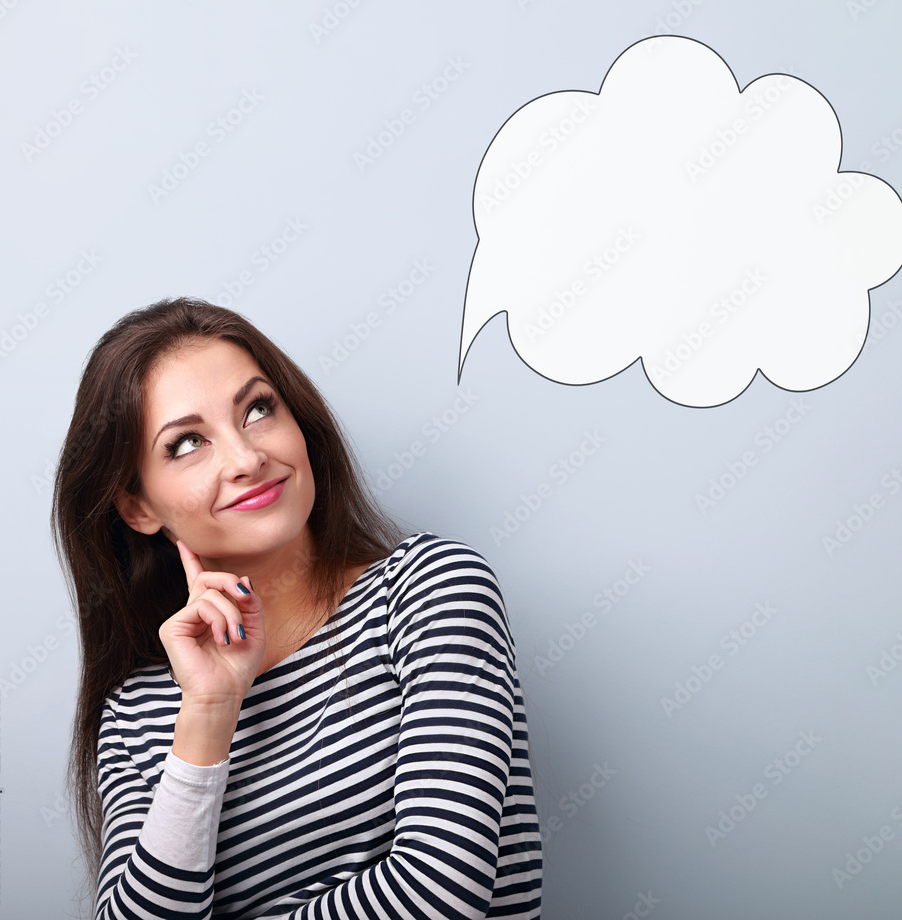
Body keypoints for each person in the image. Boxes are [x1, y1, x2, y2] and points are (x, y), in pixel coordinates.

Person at [51, 298, 542, 919]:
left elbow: (439, 892)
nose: (246, 458)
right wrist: (209, 712)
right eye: (186, 444)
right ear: (138, 508)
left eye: (258, 409)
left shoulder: (429, 592)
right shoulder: (136, 714)